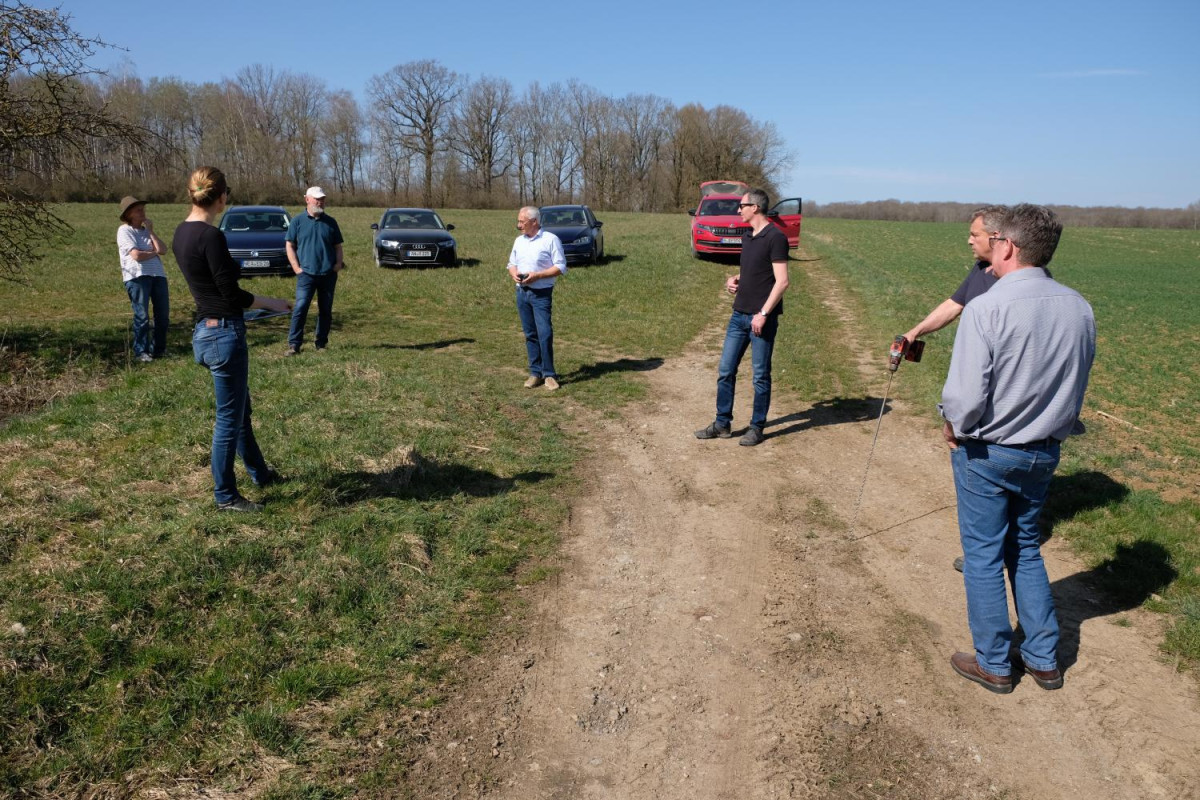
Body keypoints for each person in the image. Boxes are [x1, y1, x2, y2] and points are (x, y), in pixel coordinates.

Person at [939, 204, 1095, 694]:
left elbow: (964, 397)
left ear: (1007, 246)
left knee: (983, 556)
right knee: (1025, 548)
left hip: (987, 452)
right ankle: (1044, 659)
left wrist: (952, 425)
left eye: (991, 241)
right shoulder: (1079, 306)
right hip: (1045, 451)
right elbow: (1077, 383)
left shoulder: (988, 307)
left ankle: (994, 663)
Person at [172, 166, 292, 512]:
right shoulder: (211, 237)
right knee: (229, 419)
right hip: (224, 334)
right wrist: (274, 304)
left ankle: (261, 474)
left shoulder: (182, 232)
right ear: (221, 196)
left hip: (206, 332)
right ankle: (225, 496)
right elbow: (231, 294)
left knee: (240, 411)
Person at [694, 188, 790, 446]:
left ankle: (757, 427)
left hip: (762, 320)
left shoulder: (776, 237)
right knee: (725, 370)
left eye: (742, 205)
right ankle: (722, 423)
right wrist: (734, 279)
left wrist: (763, 314)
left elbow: (782, 282)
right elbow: (752, 270)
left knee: (760, 375)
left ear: (755, 207)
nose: (738, 210)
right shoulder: (748, 237)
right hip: (738, 316)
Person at [901, 205, 1007, 345]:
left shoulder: (1012, 276)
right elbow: (954, 305)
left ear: (995, 237)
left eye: (975, 235)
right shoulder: (981, 266)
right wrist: (914, 332)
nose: (969, 241)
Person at [507, 206, 567, 391]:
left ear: (534, 222)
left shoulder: (550, 240)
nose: (519, 226)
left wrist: (538, 276)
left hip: (541, 294)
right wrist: (514, 274)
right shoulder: (519, 241)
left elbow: (560, 267)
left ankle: (549, 374)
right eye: (518, 222)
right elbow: (511, 263)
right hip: (522, 293)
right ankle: (535, 373)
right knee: (530, 334)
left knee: (545, 333)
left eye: (522, 222)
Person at [285, 186, 344, 355]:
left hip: (328, 274)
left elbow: (338, 246)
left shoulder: (331, 222)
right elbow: (289, 245)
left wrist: (338, 264)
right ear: (307, 199)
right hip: (306, 275)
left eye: (322, 199)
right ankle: (294, 344)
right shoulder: (297, 222)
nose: (320, 202)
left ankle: (321, 344)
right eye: (317, 199)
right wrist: (296, 267)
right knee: (301, 307)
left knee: (325, 310)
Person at [116, 196, 170, 362]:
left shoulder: (146, 231)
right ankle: (141, 351)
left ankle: (158, 349)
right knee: (142, 316)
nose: (142, 212)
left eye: (142, 209)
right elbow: (137, 255)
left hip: (158, 275)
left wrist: (151, 231)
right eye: (138, 210)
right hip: (137, 277)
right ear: (129, 214)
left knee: (163, 315)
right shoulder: (124, 231)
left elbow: (164, 249)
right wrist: (153, 253)